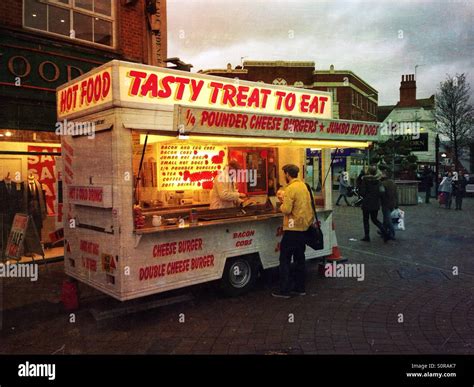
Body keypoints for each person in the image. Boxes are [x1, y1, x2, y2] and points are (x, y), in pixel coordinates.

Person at [272, 164, 314, 299]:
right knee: (299, 258)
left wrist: (280, 204)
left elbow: (287, 209)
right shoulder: (303, 186)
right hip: (303, 229)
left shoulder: (290, 189)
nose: (284, 176)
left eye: (284, 173)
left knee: (284, 259)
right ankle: (299, 288)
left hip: (292, 228)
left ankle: (284, 290)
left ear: (288, 174)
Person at [359, 166, 388, 242]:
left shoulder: (365, 180)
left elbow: (362, 192)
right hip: (375, 203)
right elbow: (382, 192)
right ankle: (384, 232)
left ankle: (367, 236)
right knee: (375, 219)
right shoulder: (378, 181)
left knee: (366, 220)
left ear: (368, 171)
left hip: (366, 203)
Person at [380, 169, 398, 240]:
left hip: (385, 203)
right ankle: (383, 231)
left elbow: (381, 193)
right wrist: (397, 203)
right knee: (386, 218)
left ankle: (392, 233)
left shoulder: (383, 183)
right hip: (392, 202)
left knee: (387, 219)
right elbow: (396, 194)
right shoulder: (393, 183)